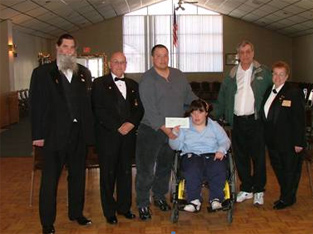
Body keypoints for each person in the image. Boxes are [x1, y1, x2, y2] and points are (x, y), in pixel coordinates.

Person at [29, 34, 95, 234]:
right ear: (57, 48)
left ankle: (76, 213)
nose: (68, 50)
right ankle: (47, 223)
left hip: (78, 135)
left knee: (77, 177)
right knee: (50, 181)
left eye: (72, 47)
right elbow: (36, 105)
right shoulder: (42, 73)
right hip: (52, 135)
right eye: (64, 46)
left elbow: (87, 106)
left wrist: (89, 135)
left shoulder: (83, 72)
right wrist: (38, 135)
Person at [135, 44, 197, 220]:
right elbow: (150, 109)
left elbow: (189, 96)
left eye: (165, 55)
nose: (162, 59)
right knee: (146, 169)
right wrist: (166, 130)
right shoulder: (147, 79)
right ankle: (142, 203)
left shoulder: (178, 75)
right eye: (158, 56)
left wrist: (201, 105)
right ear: (152, 58)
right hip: (151, 130)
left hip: (174, 129)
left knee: (164, 168)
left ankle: (159, 196)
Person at [213, 40, 272, 206]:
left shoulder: (264, 73)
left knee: (258, 157)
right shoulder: (231, 75)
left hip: (256, 121)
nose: (245, 55)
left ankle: (259, 190)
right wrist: (211, 116)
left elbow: (276, 89)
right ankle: (246, 188)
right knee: (241, 158)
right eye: (242, 52)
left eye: (248, 52)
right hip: (237, 122)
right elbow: (222, 100)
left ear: (253, 53)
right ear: (238, 55)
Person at [91, 52, 144, 224]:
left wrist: (131, 124)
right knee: (108, 175)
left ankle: (124, 207)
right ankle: (109, 211)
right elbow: (98, 110)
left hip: (128, 137)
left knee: (126, 173)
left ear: (126, 65)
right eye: (116, 62)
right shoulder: (99, 83)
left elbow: (139, 109)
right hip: (108, 137)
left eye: (123, 62)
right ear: (109, 65)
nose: (119, 65)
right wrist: (117, 126)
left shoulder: (133, 84)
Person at [169, 99, 231, 212]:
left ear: (206, 113)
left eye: (200, 112)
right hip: (191, 154)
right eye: (193, 113)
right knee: (192, 168)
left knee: (218, 166)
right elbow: (175, 147)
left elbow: (225, 141)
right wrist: (174, 134)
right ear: (190, 113)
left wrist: (221, 150)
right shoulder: (184, 125)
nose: (196, 116)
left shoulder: (214, 125)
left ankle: (216, 199)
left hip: (212, 154)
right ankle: (194, 201)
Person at [262, 61, 306, 210]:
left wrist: (299, 142)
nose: (278, 77)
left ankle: (287, 199)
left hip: (288, 141)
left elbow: (299, 119)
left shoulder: (293, 92)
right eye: (275, 73)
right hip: (272, 141)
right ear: (272, 75)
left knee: (289, 170)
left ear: (286, 76)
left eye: (281, 74)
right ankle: (287, 195)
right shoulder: (269, 90)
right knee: (279, 169)